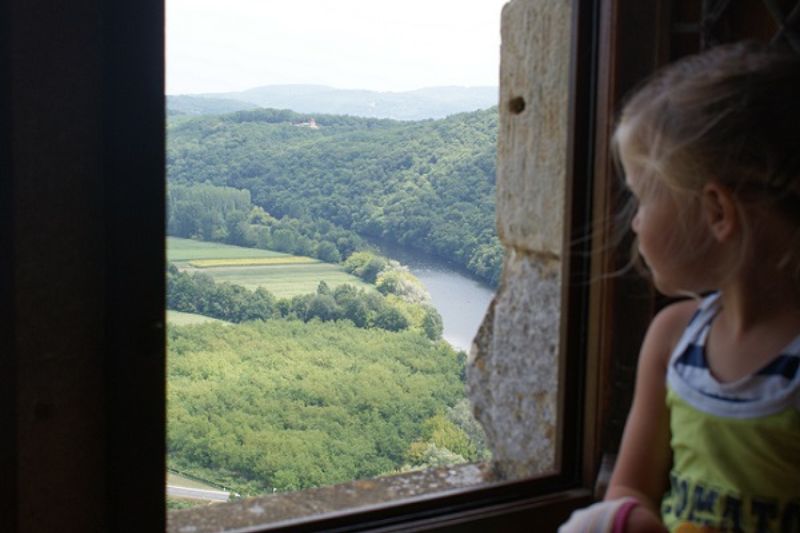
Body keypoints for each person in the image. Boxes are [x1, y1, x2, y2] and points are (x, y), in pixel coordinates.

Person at [560, 42, 800, 532]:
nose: (634, 224)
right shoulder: (672, 338)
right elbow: (631, 488)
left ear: (716, 211)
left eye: (642, 197)